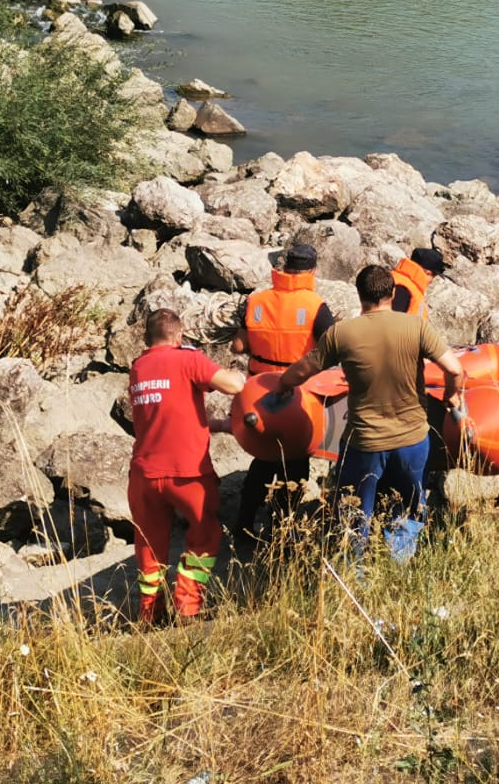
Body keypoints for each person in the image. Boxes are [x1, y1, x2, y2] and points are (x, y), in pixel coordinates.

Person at [274, 264, 467, 560]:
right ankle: (396, 565)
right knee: (407, 508)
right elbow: (455, 369)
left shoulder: (343, 333)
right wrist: (453, 396)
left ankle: (357, 576)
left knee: (354, 514)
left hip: (365, 443)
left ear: (359, 295)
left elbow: (302, 371)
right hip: (413, 440)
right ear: (392, 293)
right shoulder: (416, 327)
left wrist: (282, 385)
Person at [128, 309, 244, 623]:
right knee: (205, 534)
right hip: (188, 472)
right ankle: (188, 607)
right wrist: (239, 372)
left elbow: (169, 413)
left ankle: (150, 614)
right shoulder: (187, 359)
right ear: (179, 336)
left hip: (145, 474)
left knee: (149, 546)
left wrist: (217, 425)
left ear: (147, 338)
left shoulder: (138, 368)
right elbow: (232, 386)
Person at [231, 243, 335, 544]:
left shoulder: (255, 301)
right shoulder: (315, 305)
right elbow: (333, 346)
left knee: (263, 459)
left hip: (257, 395)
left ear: (284, 267)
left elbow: (238, 346)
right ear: (312, 271)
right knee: (296, 461)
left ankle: (244, 526)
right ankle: (281, 530)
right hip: (295, 396)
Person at [391, 247, 444, 318]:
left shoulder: (391, 277)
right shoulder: (405, 290)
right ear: (427, 273)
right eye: (433, 277)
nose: (431, 282)